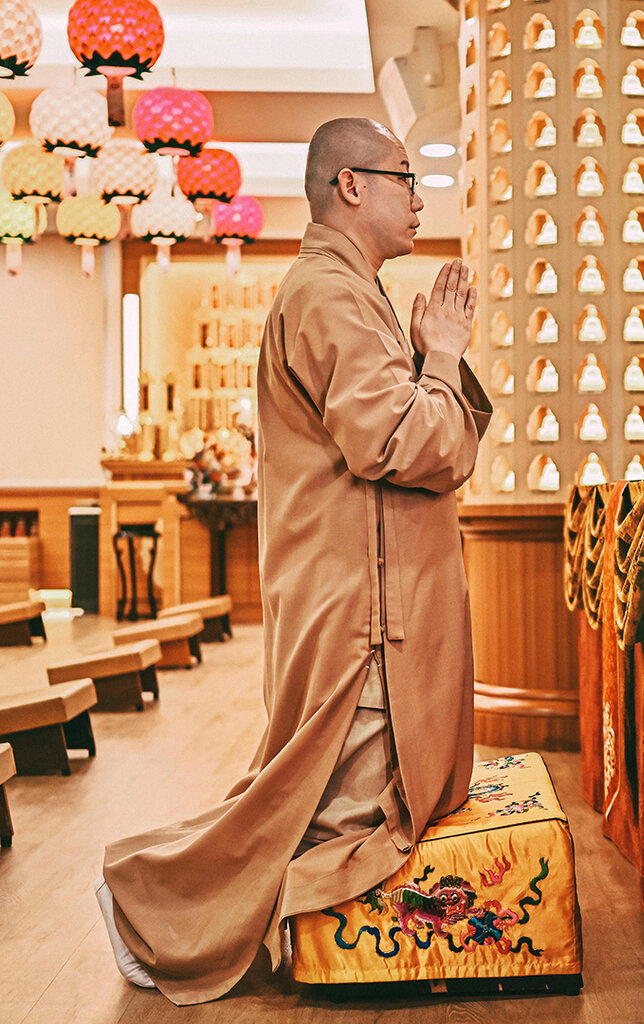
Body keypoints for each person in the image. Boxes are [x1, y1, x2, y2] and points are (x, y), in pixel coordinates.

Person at [95, 117, 492, 1006]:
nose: (420, 198)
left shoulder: (348, 288)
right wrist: (444, 356)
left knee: (311, 801)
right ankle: (152, 908)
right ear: (350, 185)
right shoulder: (329, 294)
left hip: (360, 591)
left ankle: (168, 900)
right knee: (339, 818)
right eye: (404, 178)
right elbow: (400, 441)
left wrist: (435, 363)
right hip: (363, 608)